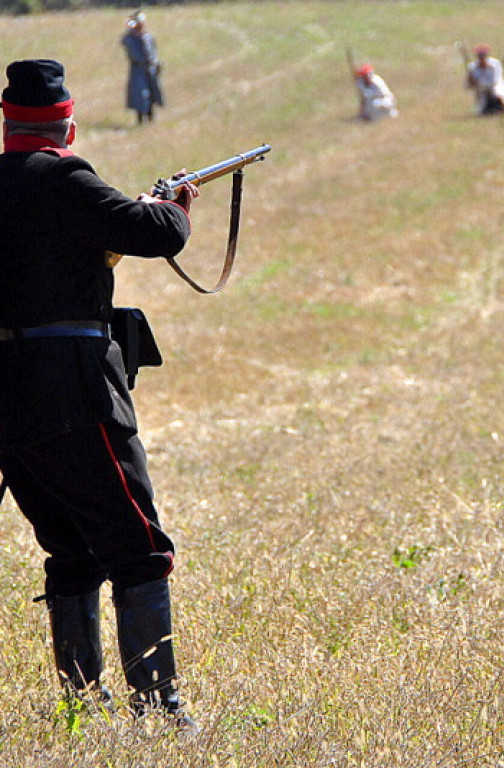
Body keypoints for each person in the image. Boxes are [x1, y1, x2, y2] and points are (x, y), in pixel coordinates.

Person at [0, 59, 199, 727]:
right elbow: (158, 234)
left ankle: (83, 706)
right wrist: (173, 206)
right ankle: (160, 709)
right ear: (68, 125)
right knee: (138, 547)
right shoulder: (65, 176)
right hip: (72, 392)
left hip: (7, 401)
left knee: (71, 550)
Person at [121, 11, 162, 124]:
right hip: (138, 69)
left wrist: (156, 63)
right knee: (140, 94)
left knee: (152, 93)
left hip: (150, 69)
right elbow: (133, 52)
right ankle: (140, 120)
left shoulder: (148, 36)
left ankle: (150, 119)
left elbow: (153, 52)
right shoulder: (130, 38)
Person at [466, 45, 504, 116]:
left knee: (501, 95)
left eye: (483, 55)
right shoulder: (472, 67)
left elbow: (494, 81)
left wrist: (478, 82)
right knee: (480, 112)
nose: (482, 57)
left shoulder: (495, 64)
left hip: (497, 86)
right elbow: (468, 86)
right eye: (480, 55)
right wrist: (471, 81)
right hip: (482, 91)